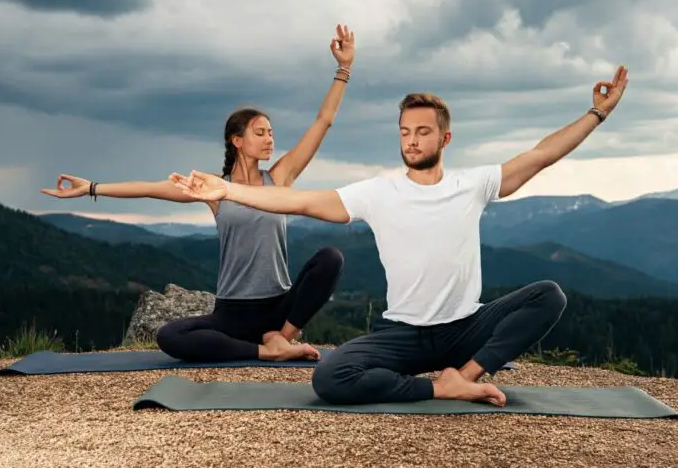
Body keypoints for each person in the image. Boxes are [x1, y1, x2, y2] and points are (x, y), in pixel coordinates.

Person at [170, 65, 630, 406]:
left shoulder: (472, 184)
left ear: (444, 139)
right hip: (404, 336)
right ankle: (439, 387)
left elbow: (541, 154)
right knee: (329, 378)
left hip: (465, 327)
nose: (411, 140)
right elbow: (299, 201)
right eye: (405, 131)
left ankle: (464, 376)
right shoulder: (378, 192)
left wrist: (596, 114)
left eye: (423, 132)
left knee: (549, 295)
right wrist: (227, 188)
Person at [40, 24, 359, 363]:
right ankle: (264, 351)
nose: (270, 139)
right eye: (261, 132)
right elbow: (150, 190)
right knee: (169, 335)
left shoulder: (279, 178)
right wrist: (91, 187)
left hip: (279, 309)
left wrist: (344, 68)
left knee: (331, 258)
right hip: (232, 312)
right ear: (237, 140)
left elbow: (323, 122)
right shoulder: (212, 188)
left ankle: (280, 339)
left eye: (272, 133)